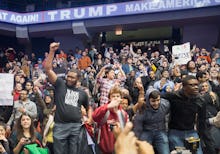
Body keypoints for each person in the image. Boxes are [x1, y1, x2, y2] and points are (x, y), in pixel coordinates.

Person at [44, 42, 89, 154]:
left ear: (78, 79)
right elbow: (48, 69)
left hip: (76, 126)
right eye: (68, 76)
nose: (68, 78)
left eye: (72, 77)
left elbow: (88, 108)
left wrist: (89, 118)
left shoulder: (82, 93)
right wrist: (52, 51)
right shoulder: (60, 84)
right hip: (60, 126)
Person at [161, 75, 205, 154]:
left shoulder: (200, 100)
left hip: (191, 132)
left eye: (196, 84)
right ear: (184, 87)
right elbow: (156, 96)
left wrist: (200, 135)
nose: (196, 87)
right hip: (175, 133)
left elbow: (202, 120)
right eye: (192, 85)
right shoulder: (173, 96)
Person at [92, 86, 129, 154]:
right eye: (113, 96)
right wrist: (108, 106)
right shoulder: (104, 110)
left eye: (118, 96)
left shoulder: (123, 114)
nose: (115, 98)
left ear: (121, 98)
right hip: (103, 149)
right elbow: (94, 116)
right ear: (109, 98)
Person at [139, 88, 170, 154]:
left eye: (158, 100)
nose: (156, 103)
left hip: (160, 130)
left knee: (165, 152)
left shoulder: (165, 105)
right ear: (148, 100)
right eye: (153, 101)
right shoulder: (143, 107)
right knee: (143, 150)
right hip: (146, 130)